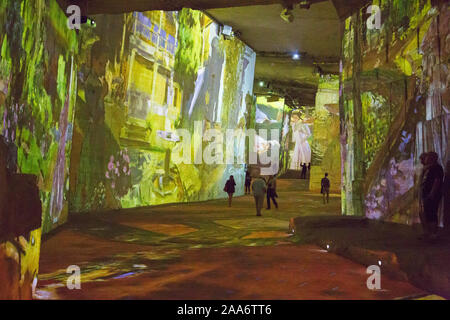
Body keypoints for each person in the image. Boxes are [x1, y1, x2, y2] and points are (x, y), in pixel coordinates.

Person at [419, 152, 444, 241]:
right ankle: (428, 232)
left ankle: (434, 233)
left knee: (432, 213)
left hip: (432, 195)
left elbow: (437, 181)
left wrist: (432, 193)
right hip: (426, 194)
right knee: (427, 212)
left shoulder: (437, 168)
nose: (425, 159)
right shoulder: (429, 168)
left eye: (428, 157)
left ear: (432, 158)